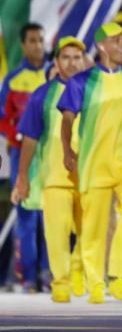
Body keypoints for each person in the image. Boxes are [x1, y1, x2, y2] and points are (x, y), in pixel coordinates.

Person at [58, 22, 122, 304]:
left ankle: (118, 277)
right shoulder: (82, 82)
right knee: (94, 226)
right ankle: (96, 281)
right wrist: (67, 151)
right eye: (116, 40)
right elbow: (68, 118)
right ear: (101, 45)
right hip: (94, 162)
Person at [11, 36, 88, 303]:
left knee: (89, 231)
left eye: (77, 57)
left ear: (85, 61)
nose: (72, 62)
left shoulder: (96, 90)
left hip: (91, 177)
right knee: (56, 234)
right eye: (65, 57)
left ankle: (78, 267)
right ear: (56, 62)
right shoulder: (42, 96)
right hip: (55, 177)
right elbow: (29, 139)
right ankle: (61, 282)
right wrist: (22, 176)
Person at [0, 22, 49, 293]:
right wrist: (15, 137)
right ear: (23, 44)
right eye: (32, 40)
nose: (38, 45)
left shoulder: (56, 73)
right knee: (27, 215)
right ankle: (29, 277)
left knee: (53, 215)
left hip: (51, 154)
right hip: (23, 156)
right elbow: (2, 117)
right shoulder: (14, 80)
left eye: (41, 39)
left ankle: (51, 272)